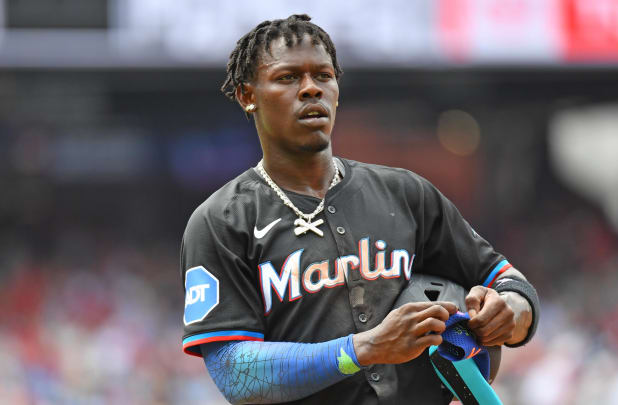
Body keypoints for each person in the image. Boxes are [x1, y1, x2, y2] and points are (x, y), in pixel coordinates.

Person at [180, 14, 539, 405]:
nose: (310, 89)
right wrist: (363, 349)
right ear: (248, 95)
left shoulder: (406, 192)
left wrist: (510, 315)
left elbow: (509, 282)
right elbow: (236, 374)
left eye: (323, 76)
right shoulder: (220, 221)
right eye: (287, 78)